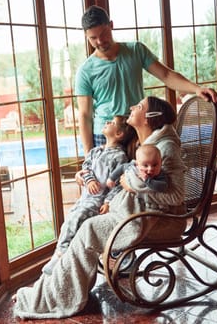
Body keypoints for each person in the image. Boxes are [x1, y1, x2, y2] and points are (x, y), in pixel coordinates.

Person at [13, 96, 187, 319]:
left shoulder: (166, 148)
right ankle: (49, 291)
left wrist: (134, 185)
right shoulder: (147, 143)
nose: (132, 107)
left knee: (89, 229)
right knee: (85, 226)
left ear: (150, 118)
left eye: (139, 106)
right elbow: (122, 172)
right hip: (137, 215)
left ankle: (55, 296)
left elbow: (176, 196)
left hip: (159, 222)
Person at [76, 5, 217, 154]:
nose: (99, 41)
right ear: (86, 36)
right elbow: (85, 116)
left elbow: (166, 75)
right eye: (93, 38)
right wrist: (88, 155)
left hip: (137, 129)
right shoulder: (85, 71)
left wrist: (197, 89)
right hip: (105, 135)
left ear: (111, 25)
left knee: (143, 175)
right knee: (109, 178)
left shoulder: (136, 50)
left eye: (103, 33)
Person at [42, 115, 136, 275]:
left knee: (76, 218)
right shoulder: (95, 151)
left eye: (111, 123)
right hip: (85, 197)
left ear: (119, 134)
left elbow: (119, 183)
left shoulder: (119, 157)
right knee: (70, 221)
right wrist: (89, 179)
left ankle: (60, 256)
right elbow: (86, 168)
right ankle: (64, 255)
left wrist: (107, 202)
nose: (106, 123)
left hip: (97, 200)